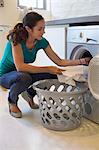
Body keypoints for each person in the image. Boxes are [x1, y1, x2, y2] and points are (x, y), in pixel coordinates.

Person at [0, 12, 91, 118]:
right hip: (5, 75)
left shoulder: (41, 41)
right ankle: (12, 101)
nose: (43, 32)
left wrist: (83, 61)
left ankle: (29, 94)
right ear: (28, 29)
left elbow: (60, 62)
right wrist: (48, 68)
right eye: (40, 29)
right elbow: (20, 67)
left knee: (53, 75)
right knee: (24, 77)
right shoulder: (16, 39)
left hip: (23, 74)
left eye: (44, 28)